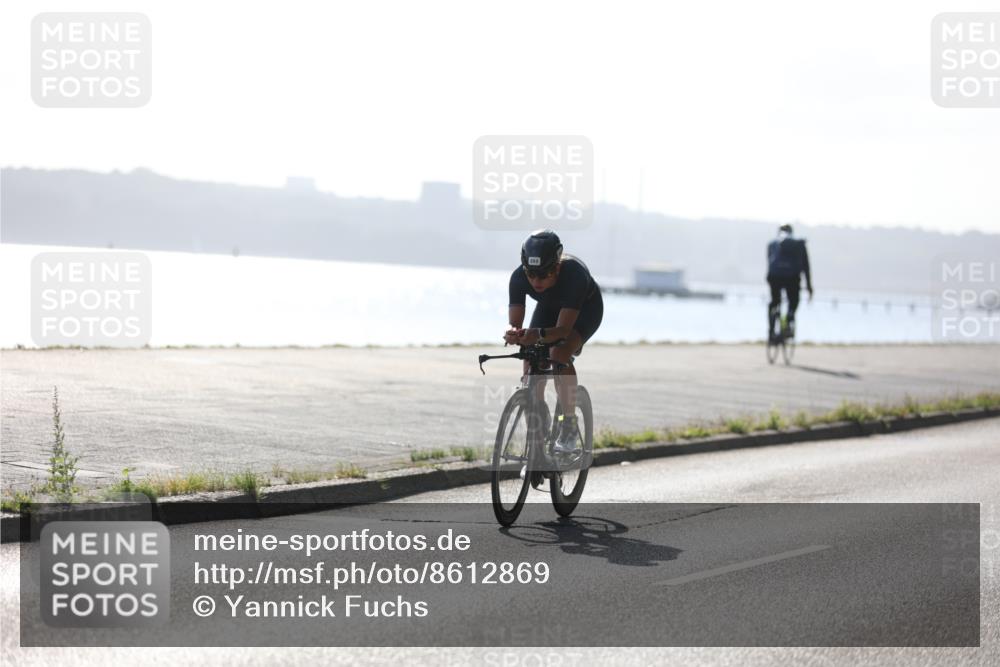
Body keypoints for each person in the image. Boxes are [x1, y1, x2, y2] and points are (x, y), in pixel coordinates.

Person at [504, 229, 603, 455]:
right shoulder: (518, 277)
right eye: (531, 274)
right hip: (549, 308)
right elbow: (516, 325)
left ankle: (568, 424)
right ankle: (538, 418)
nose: (536, 281)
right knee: (530, 359)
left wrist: (536, 335)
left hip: (584, 310)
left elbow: (562, 330)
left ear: (557, 267)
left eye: (543, 275)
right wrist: (512, 332)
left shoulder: (574, 275)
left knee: (559, 353)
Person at [767, 223, 813, 340]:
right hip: (792, 278)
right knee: (793, 300)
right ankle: (789, 318)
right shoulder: (798, 244)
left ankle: (772, 330)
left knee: (774, 302)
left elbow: (770, 264)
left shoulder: (773, 243)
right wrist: (809, 286)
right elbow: (806, 267)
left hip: (774, 277)